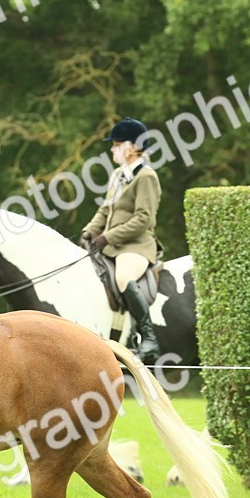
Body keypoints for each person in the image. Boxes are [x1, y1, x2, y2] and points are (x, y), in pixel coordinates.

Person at [79, 116, 162, 363]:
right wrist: (89, 232)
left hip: (137, 245)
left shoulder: (146, 177)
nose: (112, 149)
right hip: (112, 244)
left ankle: (148, 338)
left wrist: (108, 237)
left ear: (132, 147)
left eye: (116, 144)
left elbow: (143, 219)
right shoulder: (118, 175)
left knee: (123, 277)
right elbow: (105, 210)